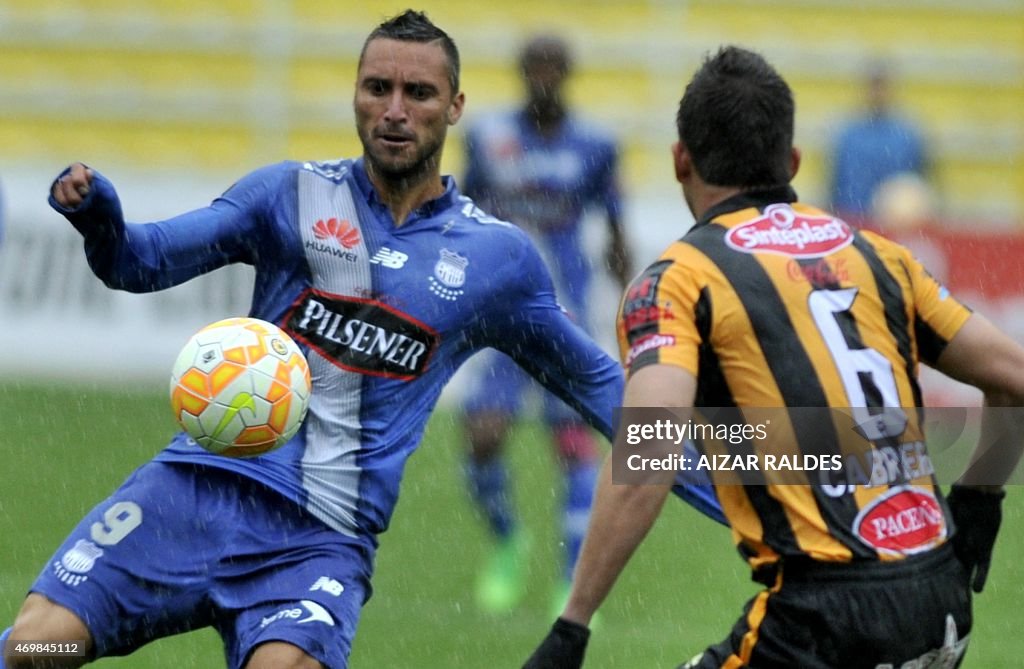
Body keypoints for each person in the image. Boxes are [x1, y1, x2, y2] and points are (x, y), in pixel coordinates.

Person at [0, 11, 638, 669]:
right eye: (376, 88)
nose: (393, 110)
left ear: (454, 107)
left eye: (417, 94)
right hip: (192, 493)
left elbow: (605, 389)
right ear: (356, 95)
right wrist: (100, 218)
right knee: (34, 646)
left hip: (317, 538)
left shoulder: (496, 258)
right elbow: (143, 262)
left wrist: (739, 458)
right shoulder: (287, 194)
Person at [524, 45, 1024, 669]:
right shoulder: (879, 257)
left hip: (824, 620)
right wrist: (980, 500)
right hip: (939, 598)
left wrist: (571, 626)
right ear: (791, 161)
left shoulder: (677, 281)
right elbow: (1014, 379)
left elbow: (650, 454)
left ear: (682, 160)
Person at [457, 33, 632, 614]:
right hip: (501, 318)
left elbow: (614, 230)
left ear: (568, 74)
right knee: (482, 435)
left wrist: (627, 294)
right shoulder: (489, 139)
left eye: (554, 67)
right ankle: (508, 540)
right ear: (522, 72)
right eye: (535, 67)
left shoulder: (596, 146)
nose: (544, 77)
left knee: (574, 448)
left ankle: (571, 582)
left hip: (567, 319)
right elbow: (460, 214)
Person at [828, 60, 930, 229]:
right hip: (853, 224)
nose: (877, 92)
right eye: (873, 86)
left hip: (894, 226)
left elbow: (920, 183)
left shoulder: (908, 135)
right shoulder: (848, 135)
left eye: (882, 86)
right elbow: (834, 185)